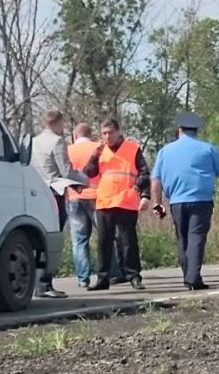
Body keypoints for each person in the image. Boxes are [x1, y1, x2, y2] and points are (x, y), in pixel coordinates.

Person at [150, 111, 219, 290]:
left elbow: (156, 179)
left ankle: (189, 276)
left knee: (182, 239)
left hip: (176, 201)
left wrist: (157, 202)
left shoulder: (165, 151)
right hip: (201, 199)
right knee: (196, 237)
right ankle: (193, 277)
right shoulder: (208, 149)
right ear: (197, 131)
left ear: (179, 129)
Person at [82, 117, 150, 291]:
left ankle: (134, 276)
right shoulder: (100, 151)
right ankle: (103, 278)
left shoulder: (132, 148)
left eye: (110, 132)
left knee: (128, 241)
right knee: (104, 242)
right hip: (104, 201)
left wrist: (139, 189)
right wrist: (94, 155)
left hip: (126, 200)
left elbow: (144, 172)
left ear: (118, 132)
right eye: (104, 133)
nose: (107, 136)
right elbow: (89, 172)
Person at [27, 110, 72, 298]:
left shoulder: (33, 141)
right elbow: (66, 171)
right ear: (57, 123)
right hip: (55, 192)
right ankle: (46, 283)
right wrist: (83, 179)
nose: (63, 129)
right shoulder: (58, 142)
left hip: (36, 193)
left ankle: (37, 284)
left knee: (37, 239)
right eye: (62, 125)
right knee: (52, 238)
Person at [64, 122, 101, 288]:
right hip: (96, 196)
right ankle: (111, 273)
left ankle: (83, 278)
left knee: (79, 241)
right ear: (90, 134)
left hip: (74, 198)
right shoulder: (98, 148)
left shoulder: (68, 150)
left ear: (75, 135)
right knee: (106, 237)